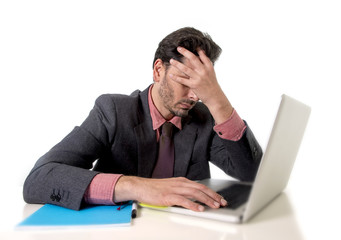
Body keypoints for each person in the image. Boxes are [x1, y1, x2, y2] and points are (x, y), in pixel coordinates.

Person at [23, 27, 262, 212]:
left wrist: (218, 100)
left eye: (202, 86)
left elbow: (254, 175)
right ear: (159, 70)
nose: (195, 95)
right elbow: (38, 179)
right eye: (186, 82)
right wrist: (137, 186)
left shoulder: (204, 118)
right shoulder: (113, 111)